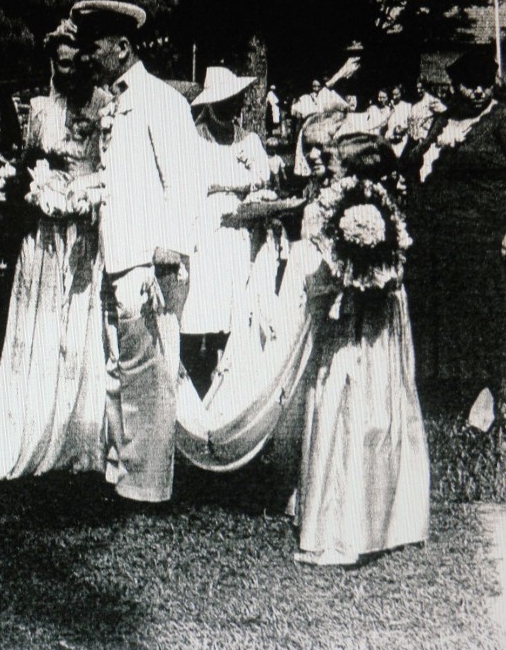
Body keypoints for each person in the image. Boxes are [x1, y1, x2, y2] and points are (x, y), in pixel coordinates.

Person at [176, 133, 430, 566]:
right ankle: (383, 517)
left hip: (354, 314)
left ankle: (344, 525)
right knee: (371, 403)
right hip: (367, 310)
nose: (323, 165)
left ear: (353, 170)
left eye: (333, 162)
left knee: (347, 405)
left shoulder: (351, 209)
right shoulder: (363, 204)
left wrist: (335, 287)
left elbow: (336, 268)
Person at [72, 0, 207, 503]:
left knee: (149, 375)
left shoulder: (161, 101)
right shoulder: (113, 103)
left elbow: (186, 180)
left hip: (149, 260)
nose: (88, 56)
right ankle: (120, 471)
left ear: (122, 47)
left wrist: (171, 245)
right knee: (117, 371)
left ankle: (147, 485)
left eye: (95, 46)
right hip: (116, 256)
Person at [0, 18, 111, 479]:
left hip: (83, 233)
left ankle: (76, 435)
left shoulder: (106, 107)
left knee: (77, 332)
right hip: (45, 234)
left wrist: (81, 193)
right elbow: (26, 161)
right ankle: (29, 427)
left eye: (74, 64)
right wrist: (34, 185)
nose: (66, 72)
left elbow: (112, 169)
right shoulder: (40, 109)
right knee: (41, 327)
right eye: (59, 64)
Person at [403, 51, 506, 423]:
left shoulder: (503, 120)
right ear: (454, 85)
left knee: (482, 313)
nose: (479, 90)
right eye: (470, 83)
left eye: (486, 82)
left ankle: (485, 392)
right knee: (446, 313)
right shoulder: (442, 120)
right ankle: (448, 392)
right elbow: (414, 167)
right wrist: (432, 143)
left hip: (485, 234)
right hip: (440, 235)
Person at [181, 66, 271, 395]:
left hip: (239, 229)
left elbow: (264, 177)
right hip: (206, 229)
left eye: (236, 102)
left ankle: (227, 382)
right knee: (200, 304)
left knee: (234, 305)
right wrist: (239, 178)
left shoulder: (248, 140)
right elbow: (195, 182)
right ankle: (192, 380)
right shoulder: (195, 137)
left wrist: (251, 173)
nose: (233, 109)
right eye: (225, 103)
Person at [407, 79, 446, 143]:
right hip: (413, 138)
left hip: (425, 138)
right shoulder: (416, 102)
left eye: (421, 88)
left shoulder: (430, 100)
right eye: (417, 88)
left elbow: (444, 112)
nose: (418, 91)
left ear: (426, 88)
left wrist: (434, 129)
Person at [384, 84, 412, 156]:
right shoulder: (388, 108)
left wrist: (402, 128)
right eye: (393, 95)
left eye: (397, 94)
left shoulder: (407, 106)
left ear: (401, 94)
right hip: (389, 138)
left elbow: (410, 123)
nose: (394, 97)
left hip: (401, 139)